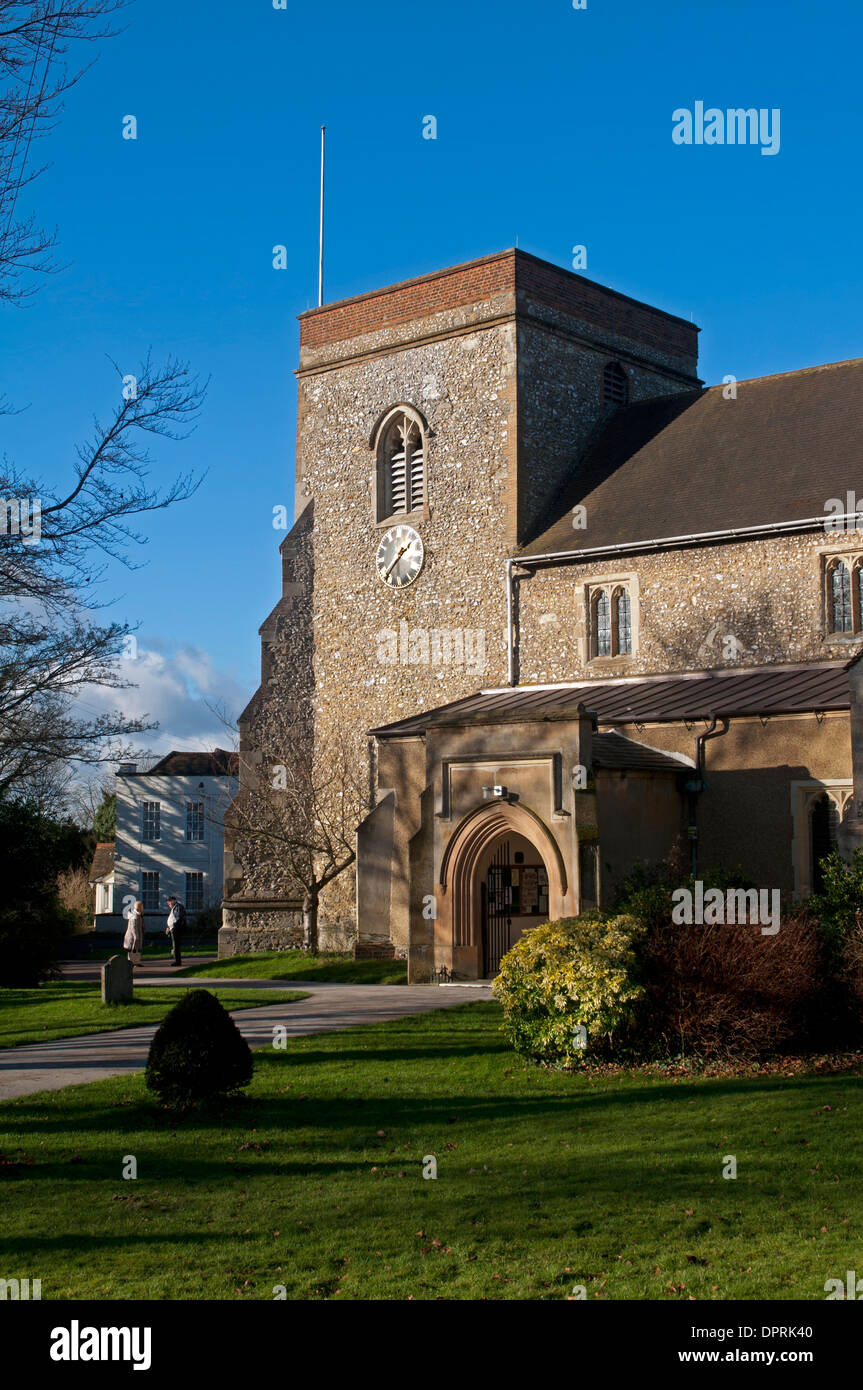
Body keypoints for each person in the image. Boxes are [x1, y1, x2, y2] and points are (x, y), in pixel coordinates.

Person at [166, 895, 186, 967]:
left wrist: (173, 926)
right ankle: (176, 960)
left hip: (176, 929)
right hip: (173, 928)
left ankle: (177, 961)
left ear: (173, 901)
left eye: (169, 903)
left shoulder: (178, 907)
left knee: (176, 945)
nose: (169, 905)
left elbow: (179, 919)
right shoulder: (175, 908)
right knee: (175, 945)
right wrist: (169, 927)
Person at [123, 901, 144, 968]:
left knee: (136, 949)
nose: (142, 908)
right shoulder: (134, 916)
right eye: (141, 907)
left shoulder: (138, 914)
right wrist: (136, 936)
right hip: (133, 935)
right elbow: (133, 927)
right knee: (134, 949)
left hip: (137, 933)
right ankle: (132, 962)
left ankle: (136, 962)